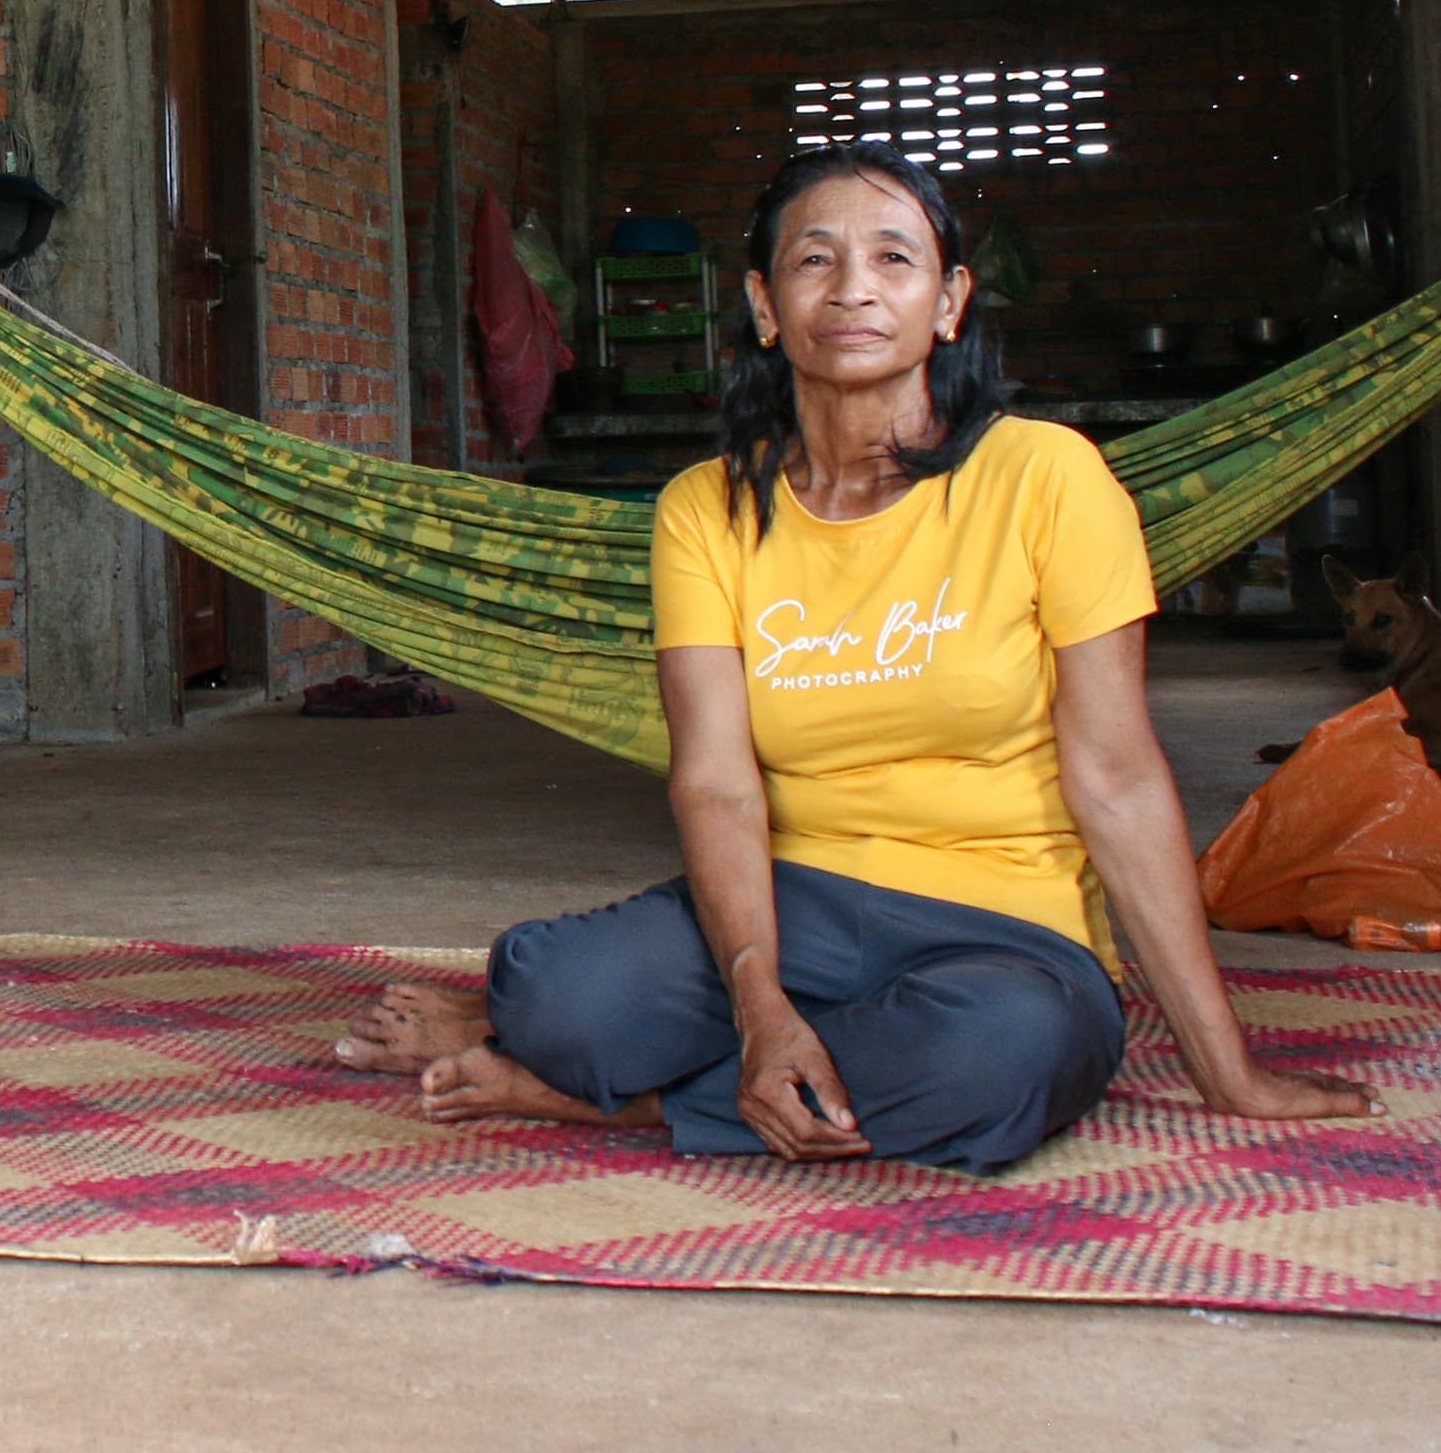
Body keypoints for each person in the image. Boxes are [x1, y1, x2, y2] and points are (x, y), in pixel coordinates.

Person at [336, 142, 1375, 1171]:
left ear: (951, 299)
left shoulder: (1049, 478)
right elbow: (717, 781)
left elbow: (1118, 778)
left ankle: (621, 1103)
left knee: (996, 1056)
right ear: (764, 303)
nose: (853, 290)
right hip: (797, 903)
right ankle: (691, 1061)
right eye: (815, 259)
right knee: (565, 998)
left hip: (1008, 929)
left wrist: (1225, 1067)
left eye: (893, 258)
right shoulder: (707, 509)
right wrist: (759, 1005)